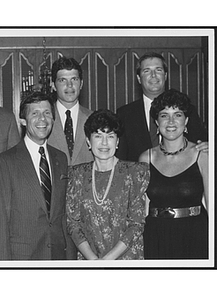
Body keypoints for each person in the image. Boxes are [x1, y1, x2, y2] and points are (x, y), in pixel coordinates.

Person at [0, 91, 69, 260]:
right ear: (23, 121)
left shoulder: (60, 158)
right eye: (35, 113)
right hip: (22, 259)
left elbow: (62, 216)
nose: (42, 119)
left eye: (47, 113)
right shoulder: (5, 162)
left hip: (57, 257)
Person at [66, 109, 150, 260]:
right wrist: (93, 260)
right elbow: (73, 223)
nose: (104, 143)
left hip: (126, 260)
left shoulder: (135, 173)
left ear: (117, 142)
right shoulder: (77, 174)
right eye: (98, 136)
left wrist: (107, 260)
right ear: (88, 141)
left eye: (110, 136)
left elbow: (136, 224)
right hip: (89, 261)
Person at [139, 89, 208, 259]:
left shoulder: (202, 154)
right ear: (156, 121)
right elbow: (142, 209)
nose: (171, 121)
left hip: (194, 235)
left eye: (177, 115)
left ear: (186, 121)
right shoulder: (145, 158)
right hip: (156, 236)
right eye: (164, 115)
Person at [116, 52, 208, 162]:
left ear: (165, 76)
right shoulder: (125, 114)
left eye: (158, 70)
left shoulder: (187, 109)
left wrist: (208, 147)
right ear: (139, 78)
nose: (153, 75)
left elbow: (202, 144)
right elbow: (120, 159)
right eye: (147, 71)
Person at [47, 56, 94, 259]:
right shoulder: (42, 120)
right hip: (52, 212)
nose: (69, 85)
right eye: (62, 80)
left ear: (81, 83)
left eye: (74, 79)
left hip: (89, 211)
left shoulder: (94, 119)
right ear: (53, 84)